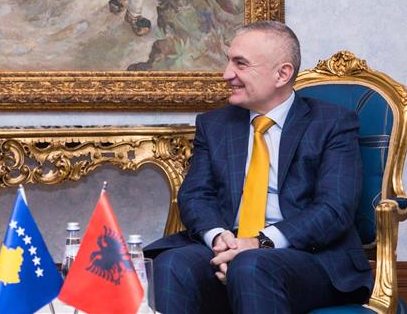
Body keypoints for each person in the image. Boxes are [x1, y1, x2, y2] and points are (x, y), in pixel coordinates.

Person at [145, 21, 373, 313]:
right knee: (172, 264)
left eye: (240, 64)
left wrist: (260, 243)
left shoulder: (332, 123)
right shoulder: (215, 125)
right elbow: (195, 195)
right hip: (229, 246)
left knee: (251, 266)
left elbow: (334, 208)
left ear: (282, 74)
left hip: (308, 257)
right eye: (229, 61)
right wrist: (219, 237)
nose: (227, 74)